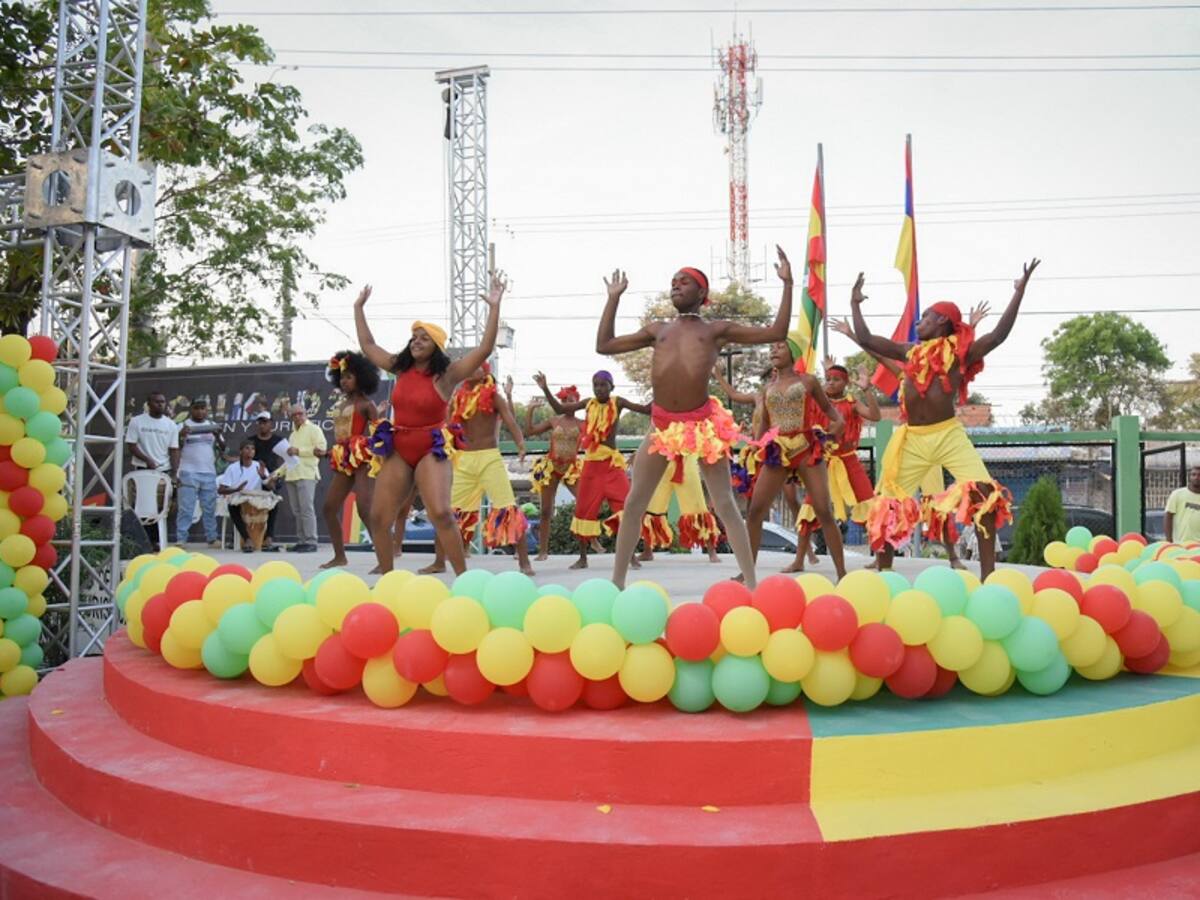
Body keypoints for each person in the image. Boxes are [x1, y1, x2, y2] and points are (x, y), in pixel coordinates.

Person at [596, 249, 796, 589]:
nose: (676, 286)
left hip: (702, 427)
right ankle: (617, 584)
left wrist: (788, 284)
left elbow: (777, 329)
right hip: (662, 426)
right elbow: (605, 345)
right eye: (673, 282)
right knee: (634, 504)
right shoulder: (657, 329)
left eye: (684, 281)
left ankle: (750, 584)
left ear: (702, 293)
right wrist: (613, 299)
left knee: (726, 506)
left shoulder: (716, 330)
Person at [849, 260, 1039, 579]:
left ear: (941, 321)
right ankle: (884, 578)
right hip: (912, 440)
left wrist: (1018, 293)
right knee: (886, 507)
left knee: (984, 496)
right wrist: (855, 304)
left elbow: (998, 337)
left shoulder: (960, 354)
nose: (919, 322)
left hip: (949, 436)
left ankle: (988, 578)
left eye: (925, 317)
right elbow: (867, 339)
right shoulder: (910, 352)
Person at [355, 274, 507, 575]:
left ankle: (464, 579)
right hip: (399, 446)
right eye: (414, 337)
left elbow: (484, 349)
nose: (416, 341)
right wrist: (359, 308)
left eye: (424, 338)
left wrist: (494, 308)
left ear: (436, 346)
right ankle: (388, 581)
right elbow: (368, 345)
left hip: (430, 448)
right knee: (378, 517)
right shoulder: (399, 368)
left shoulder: (447, 375)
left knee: (440, 512)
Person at [828, 308, 989, 569]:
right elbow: (880, 351)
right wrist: (852, 336)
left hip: (939, 443)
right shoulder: (906, 375)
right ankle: (882, 558)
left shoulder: (939, 369)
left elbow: (959, 355)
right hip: (909, 444)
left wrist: (970, 327)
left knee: (937, 503)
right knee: (887, 501)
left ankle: (953, 557)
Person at [744, 338, 847, 579]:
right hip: (778, 451)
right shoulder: (767, 388)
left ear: (793, 351)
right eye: (771, 347)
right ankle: (747, 573)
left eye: (780, 346)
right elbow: (766, 426)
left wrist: (837, 425)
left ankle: (842, 573)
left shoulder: (807, 381)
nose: (773, 350)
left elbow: (830, 410)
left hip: (806, 447)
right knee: (756, 510)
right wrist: (755, 449)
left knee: (823, 510)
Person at [536, 369, 650, 570]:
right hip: (591, 466)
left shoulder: (618, 402)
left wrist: (663, 389)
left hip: (612, 466)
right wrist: (545, 389)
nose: (599, 388)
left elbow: (646, 409)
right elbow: (559, 407)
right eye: (595, 384)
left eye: (603, 385)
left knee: (627, 508)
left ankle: (630, 555)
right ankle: (583, 558)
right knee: (583, 510)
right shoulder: (588, 403)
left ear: (611, 387)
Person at [425, 368, 535, 575]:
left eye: (477, 366)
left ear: (485, 372)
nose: (471, 369)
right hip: (464, 460)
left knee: (508, 508)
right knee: (449, 513)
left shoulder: (493, 396)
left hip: (489, 458)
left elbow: (510, 420)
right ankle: (439, 561)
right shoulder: (458, 397)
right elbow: (447, 425)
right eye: (469, 366)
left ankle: (524, 563)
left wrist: (520, 443)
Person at [789, 361, 880, 572]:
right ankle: (799, 560)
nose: (830, 383)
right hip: (823, 461)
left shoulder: (852, 403)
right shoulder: (818, 402)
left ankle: (880, 557)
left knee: (870, 507)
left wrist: (867, 390)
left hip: (848, 460)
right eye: (827, 379)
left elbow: (875, 416)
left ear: (846, 383)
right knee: (810, 508)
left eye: (836, 379)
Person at [320, 351, 381, 570]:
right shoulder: (341, 404)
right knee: (329, 507)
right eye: (342, 377)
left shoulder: (367, 405)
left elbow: (379, 433)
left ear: (361, 378)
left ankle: (384, 559)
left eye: (349, 377)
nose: (344, 381)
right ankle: (339, 556)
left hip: (362, 459)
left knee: (365, 508)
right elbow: (341, 434)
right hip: (342, 458)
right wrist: (329, 451)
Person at [524, 384, 584, 561]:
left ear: (577, 402)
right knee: (546, 511)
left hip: (571, 468)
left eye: (570, 400)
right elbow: (530, 431)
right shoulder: (554, 420)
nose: (566, 403)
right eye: (563, 400)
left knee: (584, 504)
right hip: (551, 467)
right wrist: (530, 410)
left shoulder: (582, 424)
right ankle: (543, 551)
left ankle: (591, 542)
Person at [639, 455, 723, 563]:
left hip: (686, 462)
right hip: (662, 463)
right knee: (652, 508)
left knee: (698, 510)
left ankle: (712, 552)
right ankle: (647, 551)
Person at [174, 398, 224, 548]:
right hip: (188, 472)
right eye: (197, 408)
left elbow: (223, 447)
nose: (201, 411)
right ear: (191, 409)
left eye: (203, 408)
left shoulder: (211, 425)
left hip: (208, 472)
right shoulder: (182, 426)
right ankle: (181, 539)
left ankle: (212, 538)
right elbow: (174, 447)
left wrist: (217, 435)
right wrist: (181, 435)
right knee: (186, 508)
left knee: (209, 508)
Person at [284, 402, 327, 553]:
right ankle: (302, 540)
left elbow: (321, 449)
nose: (297, 417)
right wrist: (276, 474)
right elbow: (288, 458)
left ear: (306, 414)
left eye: (300, 413)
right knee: (297, 511)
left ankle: (311, 541)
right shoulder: (292, 434)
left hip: (307, 473)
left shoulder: (314, 429)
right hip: (291, 474)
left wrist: (299, 451)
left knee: (307, 509)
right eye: (294, 415)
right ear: (290, 417)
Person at [218, 439, 275, 553]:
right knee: (232, 507)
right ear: (241, 451)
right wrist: (237, 489)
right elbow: (221, 490)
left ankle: (268, 538)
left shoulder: (259, 466)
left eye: (252, 449)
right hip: (238, 498)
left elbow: (272, 487)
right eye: (247, 448)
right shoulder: (232, 468)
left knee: (275, 504)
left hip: (256, 499)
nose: (250, 451)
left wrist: (264, 477)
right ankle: (247, 539)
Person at [248, 411, 285, 552]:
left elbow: (284, 461)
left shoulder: (279, 441)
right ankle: (249, 537)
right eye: (260, 422)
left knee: (273, 506)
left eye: (265, 422)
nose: (262, 425)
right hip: (254, 478)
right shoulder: (251, 441)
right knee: (250, 506)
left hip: (273, 477)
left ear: (271, 424)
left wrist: (277, 475)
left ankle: (269, 536)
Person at [127, 391, 180, 473]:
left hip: (164, 468)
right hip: (142, 467)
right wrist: (147, 460)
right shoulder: (136, 421)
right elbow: (131, 446)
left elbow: (174, 450)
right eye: (156, 402)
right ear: (148, 404)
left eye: (162, 402)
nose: (160, 404)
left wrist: (175, 472)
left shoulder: (171, 424)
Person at [1165, 465, 1200, 543]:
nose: (1196, 477)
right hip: (1180, 544)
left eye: (1199, 475)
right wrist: (1169, 540)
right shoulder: (1177, 494)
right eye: (1194, 474)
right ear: (1189, 477)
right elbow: (1168, 516)